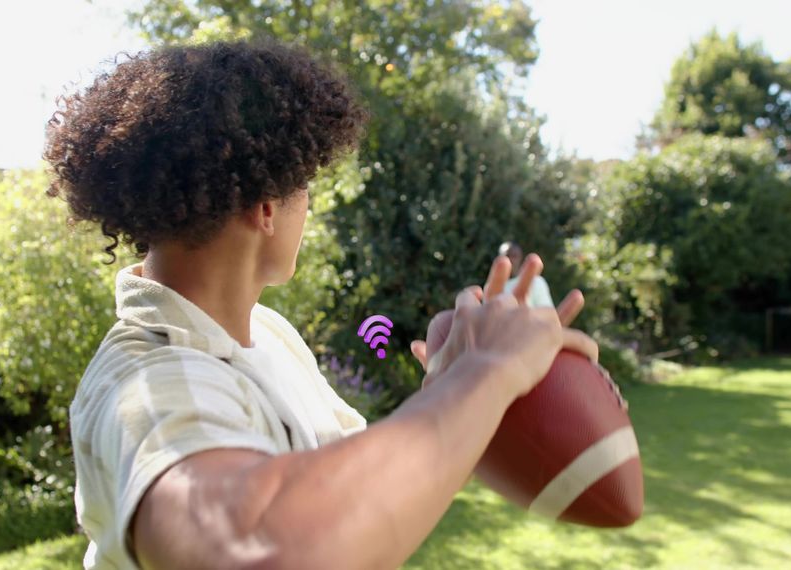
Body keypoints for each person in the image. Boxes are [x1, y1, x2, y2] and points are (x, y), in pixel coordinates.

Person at [45, 39, 598, 569]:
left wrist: (453, 393)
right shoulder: (148, 379)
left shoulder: (268, 333)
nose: (307, 208)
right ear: (266, 207)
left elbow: (344, 501)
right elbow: (260, 550)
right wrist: (485, 374)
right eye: (304, 184)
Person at [499, 241, 556, 308]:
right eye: (507, 256)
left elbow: (546, 313)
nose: (511, 260)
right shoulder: (494, 289)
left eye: (514, 256)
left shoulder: (536, 281)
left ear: (520, 258)